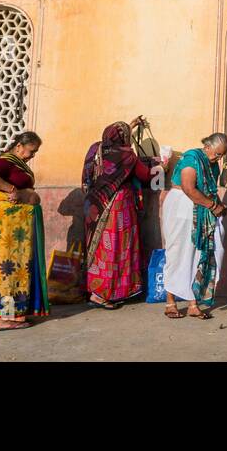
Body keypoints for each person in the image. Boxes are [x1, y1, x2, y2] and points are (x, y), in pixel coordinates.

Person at [0, 132, 49, 330]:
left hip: (16, 229)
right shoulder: (6, 161)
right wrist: (11, 190)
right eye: (31, 151)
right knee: (6, 271)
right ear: (19, 146)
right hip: (5, 227)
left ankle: (9, 314)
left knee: (16, 271)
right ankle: (4, 318)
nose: (32, 156)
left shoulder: (16, 163)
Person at [81, 118, 156, 309]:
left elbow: (88, 176)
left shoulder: (95, 149)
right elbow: (145, 175)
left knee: (95, 248)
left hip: (93, 205)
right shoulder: (127, 155)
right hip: (117, 206)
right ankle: (105, 293)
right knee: (114, 249)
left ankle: (94, 290)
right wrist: (158, 167)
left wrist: (131, 125)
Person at [161, 133, 227, 319]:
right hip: (181, 207)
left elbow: (209, 190)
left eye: (222, 155)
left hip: (202, 210)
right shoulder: (192, 158)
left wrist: (219, 207)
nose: (218, 158)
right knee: (176, 252)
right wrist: (213, 206)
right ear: (207, 147)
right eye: (217, 154)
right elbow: (188, 188)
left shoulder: (212, 163)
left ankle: (193, 304)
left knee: (198, 254)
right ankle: (170, 302)